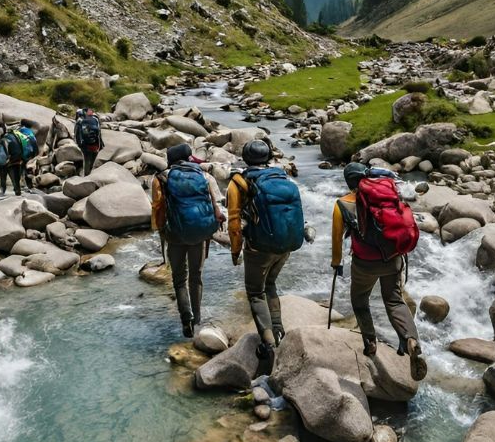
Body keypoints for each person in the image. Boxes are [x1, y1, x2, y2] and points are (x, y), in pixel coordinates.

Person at [331, 161, 427, 380]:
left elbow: (337, 239)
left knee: (360, 300)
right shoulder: (387, 196)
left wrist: (336, 263)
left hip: (364, 263)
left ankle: (370, 342)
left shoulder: (342, 204)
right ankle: (411, 340)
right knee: (394, 301)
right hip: (393, 259)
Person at [227, 140, 313, 362]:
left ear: (245, 158)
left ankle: (268, 345)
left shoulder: (239, 182)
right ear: (268, 157)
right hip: (286, 243)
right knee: (271, 284)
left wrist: (235, 251)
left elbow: (234, 222)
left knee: (255, 292)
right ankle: (278, 330)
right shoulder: (282, 177)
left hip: (259, 247)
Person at [152, 143, 224, 337]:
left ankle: (186, 319)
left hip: (174, 234)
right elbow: (214, 204)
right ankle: (198, 318)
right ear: (189, 157)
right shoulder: (204, 175)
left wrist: (160, 230)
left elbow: (158, 208)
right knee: (196, 276)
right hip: (199, 234)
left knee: (179, 278)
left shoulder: (162, 178)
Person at [0, 124, 33, 196]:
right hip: (16, 161)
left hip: (7, 162)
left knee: (3, 177)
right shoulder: (15, 137)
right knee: (16, 181)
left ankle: (3, 191)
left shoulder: (1, 140)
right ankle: (17, 192)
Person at [75, 107, 103, 176]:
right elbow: (99, 132)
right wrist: (100, 144)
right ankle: (91, 173)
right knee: (92, 160)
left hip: (85, 144)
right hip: (95, 144)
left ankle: (86, 175)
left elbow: (76, 133)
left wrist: (78, 144)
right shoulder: (95, 119)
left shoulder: (79, 120)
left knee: (86, 160)